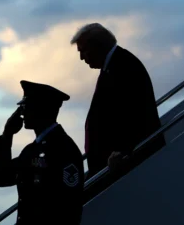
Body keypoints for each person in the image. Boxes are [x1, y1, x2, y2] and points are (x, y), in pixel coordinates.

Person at [70, 23, 166, 178]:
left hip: (127, 165)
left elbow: (135, 112)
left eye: (83, 51)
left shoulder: (124, 66)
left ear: (97, 46)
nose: (81, 58)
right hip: (114, 164)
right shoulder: (114, 65)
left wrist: (123, 148)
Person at [0, 80, 84, 225]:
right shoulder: (31, 150)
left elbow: (69, 205)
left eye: (25, 107)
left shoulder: (63, 148)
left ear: (41, 108)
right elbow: (1, 177)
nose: (22, 113)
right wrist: (7, 135)